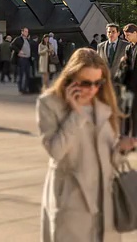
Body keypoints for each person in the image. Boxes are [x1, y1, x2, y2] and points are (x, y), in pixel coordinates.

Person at [37, 48, 136, 241]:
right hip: (72, 199)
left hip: (105, 202)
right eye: (85, 83)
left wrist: (120, 149)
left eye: (98, 83)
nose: (92, 89)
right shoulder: (49, 104)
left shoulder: (103, 105)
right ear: (71, 77)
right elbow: (56, 151)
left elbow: (106, 159)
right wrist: (76, 114)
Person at [118, 23, 137, 137]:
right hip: (129, 85)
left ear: (135, 33)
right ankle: (128, 136)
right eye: (125, 35)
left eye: (128, 35)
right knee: (128, 111)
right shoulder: (129, 47)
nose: (126, 38)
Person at [11, 27, 32, 94]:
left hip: (27, 59)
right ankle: (21, 88)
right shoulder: (18, 39)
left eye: (27, 32)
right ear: (22, 32)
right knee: (21, 74)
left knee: (28, 74)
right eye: (25, 31)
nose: (26, 33)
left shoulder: (27, 40)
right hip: (22, 59)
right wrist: (19, 51)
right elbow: (12, 45)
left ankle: (25, 88)